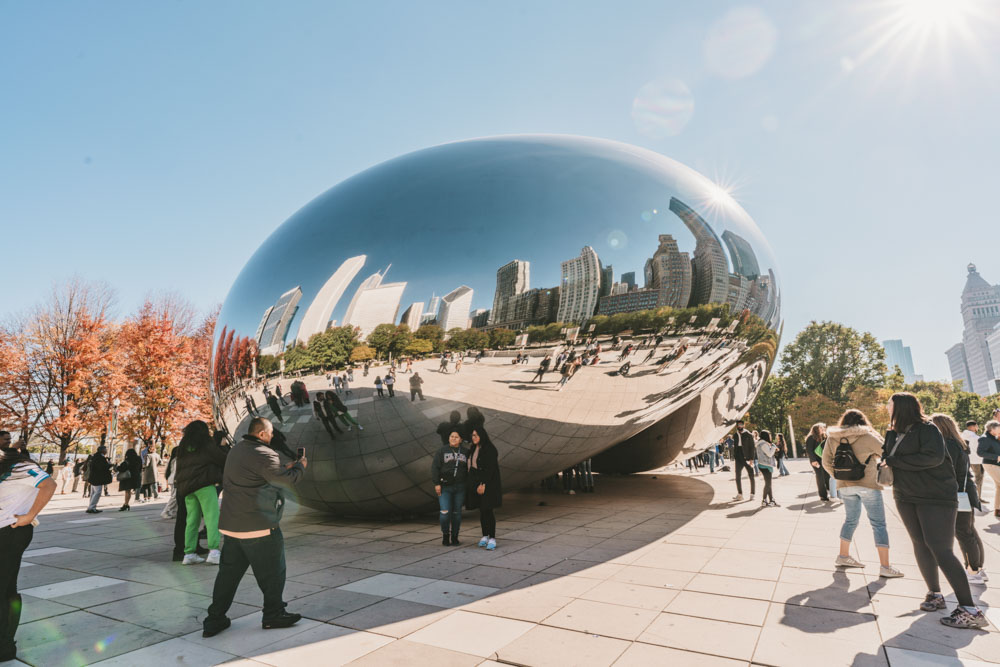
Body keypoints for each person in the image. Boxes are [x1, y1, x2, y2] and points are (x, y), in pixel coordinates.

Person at [883, 393, 986, 629]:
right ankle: (935, 593)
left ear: (902, 407)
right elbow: (888, 455)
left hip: (936, 497)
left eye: (889, 404)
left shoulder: (928, 429)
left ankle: (970, 609)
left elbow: (932, 458)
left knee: (941, 549)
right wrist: (884, 460)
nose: (886, 407)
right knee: (919, 543)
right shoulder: (892, 432)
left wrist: (894, 461)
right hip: (905, 495)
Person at [203, 418, 306, 637]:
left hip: (232, 527)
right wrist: (299, 467)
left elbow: (254, 475)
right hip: (259, 526)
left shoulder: (237, 450)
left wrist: (283, 468)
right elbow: (284, 481)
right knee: (273, 574)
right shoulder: (264, 453)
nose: (271, 437)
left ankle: (214, 619)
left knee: (227, 577)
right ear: (261, 434)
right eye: (269, 433)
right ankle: (273, 614)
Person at [821, 409, 903, 577]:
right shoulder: (867, 436)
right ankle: (885, 566)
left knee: (850, 520)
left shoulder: (833, 437)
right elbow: (886, 453)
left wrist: (838, 476)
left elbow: (825, 461)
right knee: (878, 524)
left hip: (844, 485)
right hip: (868, 485)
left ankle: (843, 555)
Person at [0, 446, 56, 662]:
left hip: (10, 533)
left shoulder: (21, 466)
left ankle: (4, 646)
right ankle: (5, 645)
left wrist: (30, 514)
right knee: (6, 588)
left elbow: (49, 484)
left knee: (4, 589)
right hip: (6, 532)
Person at [930, 413, 987, 585]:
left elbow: (947, 472)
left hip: (958, 494)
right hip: (966, 492)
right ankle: (978, 568)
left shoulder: (947, 445)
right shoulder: (958, 443)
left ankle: (973, 570)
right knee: (970, 531)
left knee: (964, 533)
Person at [175, 421, 229, 565]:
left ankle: (189, 553)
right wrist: (223, 447)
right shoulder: (206, 443)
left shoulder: (183, 446)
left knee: (191, 521)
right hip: (204, 484)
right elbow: (222, 459)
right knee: (212, 518)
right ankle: (214, 551)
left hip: (187, 488)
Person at [466, 427, 502, 550]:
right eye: (472, 435)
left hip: (488, 484)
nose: (473, 437)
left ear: (482, 435)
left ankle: (492, 537)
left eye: (476, 435)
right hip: (476, 483)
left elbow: (490, 469)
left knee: (488, 510)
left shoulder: (489, 449)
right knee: (482, 510)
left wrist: (483, 484)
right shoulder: (473, 448)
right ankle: (484, 535)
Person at [432, 428, 469, 546]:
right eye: (451, 436)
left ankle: (455, 536)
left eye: (456, 437)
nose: (453, 438)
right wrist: (437, 483)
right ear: (448, 438)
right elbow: (435, 468)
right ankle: (445, 535)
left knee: (457, 513)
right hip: (445, 487)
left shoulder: (465, 452)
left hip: (460, 487)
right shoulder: (442, 451)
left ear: (461, 440)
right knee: (444, 512)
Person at [960, 420, 986, 512]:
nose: (977, 428)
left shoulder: (962, 435)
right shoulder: (976, 437)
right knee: (979, 478)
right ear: (974, 426)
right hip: (977, 460)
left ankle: (975, 496)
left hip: (968, 459)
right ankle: (977, 497)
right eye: (977, 426)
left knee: (969, 478)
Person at [977, 420, 1000, 519]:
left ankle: (998, 509)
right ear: (992, 429)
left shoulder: (993, 438)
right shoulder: (985, 438)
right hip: (991, 464)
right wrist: (996, 457)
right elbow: (980, 452)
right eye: (998, 428)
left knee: (999, 486)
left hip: (995, 464)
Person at [806, 422, 831, 502]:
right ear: (816, 429)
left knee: (827, 476)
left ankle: (830, 491)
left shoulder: (825, 436)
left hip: (825, 460)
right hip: (816, 461)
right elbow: (809, 450)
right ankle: (823, 496)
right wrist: (813, 461)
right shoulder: (811, 437)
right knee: (820, 477)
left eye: (823, 427)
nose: (823, 429)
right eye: (821, 428)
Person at [731, 421, 756, 501]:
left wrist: (751, 459)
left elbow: (752, 447)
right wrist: (735, 456)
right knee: (737, 476)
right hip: (738, 457)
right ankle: (740, 494)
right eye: (738, 425)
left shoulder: (748, 434)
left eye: (741, 425)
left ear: (744, 425)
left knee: (751, 475)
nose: (740, 426)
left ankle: (752, 493)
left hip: (747, 457)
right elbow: (735, 446)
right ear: (737, 426)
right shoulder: (735, 435)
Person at [85, 445, 112, 513]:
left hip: (93, 477)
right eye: (105, 449)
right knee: (97, 493)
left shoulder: (95, 456)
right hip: (98, 478)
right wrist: (109, 465)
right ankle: (92, 507)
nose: (106, 451)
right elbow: (101, 467)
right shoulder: (100, 458)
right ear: (102, 450)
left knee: (93, 493)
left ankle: (91, 507)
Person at [755, 430, 778, 507]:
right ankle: (764, 500)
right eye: (769, 435)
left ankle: (771, 500)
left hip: (763, 465)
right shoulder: (763, 444)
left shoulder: (761, 443)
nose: (770, 436)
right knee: (768, 484)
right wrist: (774, 447)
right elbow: (770, 454)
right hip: (766, 465)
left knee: (768, 484)